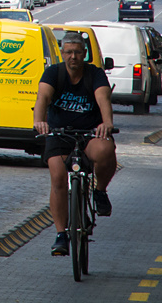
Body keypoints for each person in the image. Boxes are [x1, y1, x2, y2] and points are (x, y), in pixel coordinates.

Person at [34, 31, 117, 257]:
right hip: (60, 134)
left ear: (85, 54)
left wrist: (107, 123)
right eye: (69, 52)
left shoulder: (95, 74)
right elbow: (42, 98)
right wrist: (39, 121)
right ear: (62, 53)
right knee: (58, 177)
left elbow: (103, 98)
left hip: (90, 133)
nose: (73, 57)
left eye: (77, 53)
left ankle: (99, 191)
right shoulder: (54, 73)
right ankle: (61, 234)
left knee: (106, 150)